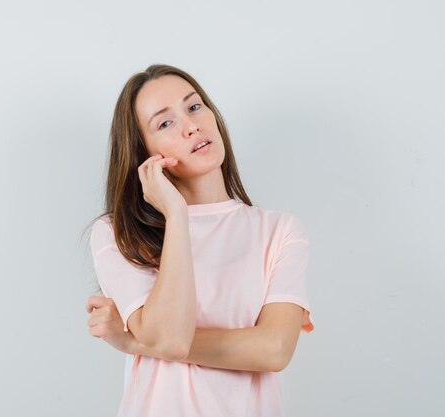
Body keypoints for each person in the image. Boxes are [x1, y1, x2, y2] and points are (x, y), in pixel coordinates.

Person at [85, 64, 314, 417]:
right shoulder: (119, 233)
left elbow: (274, 350)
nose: (191, 125)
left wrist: (135, 341)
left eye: (193, 107)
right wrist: (176, 215)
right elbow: (169, 338)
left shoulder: (279, 231)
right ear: (144, 153)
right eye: (165, 123)